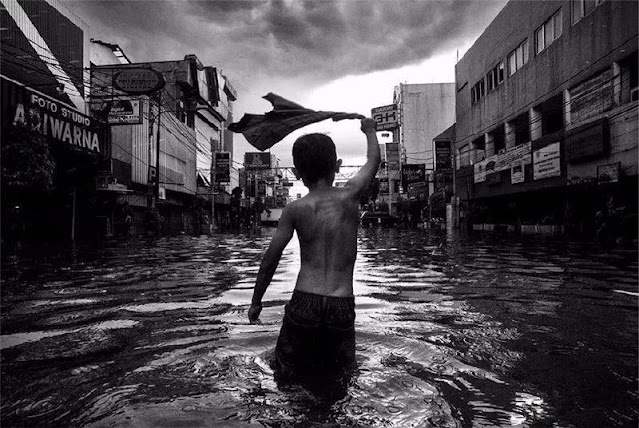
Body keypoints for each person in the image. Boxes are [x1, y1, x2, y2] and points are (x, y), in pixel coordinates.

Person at [248, 118, 380, 392]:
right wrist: (370, 131)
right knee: (340, 378)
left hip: (304, 302)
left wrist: (256, 301)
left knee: (286, 374)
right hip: (341, 304)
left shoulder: (295, 209)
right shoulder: (351, 196)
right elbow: (372, 162)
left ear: (297, 172)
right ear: (337, 166)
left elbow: (271, 257)